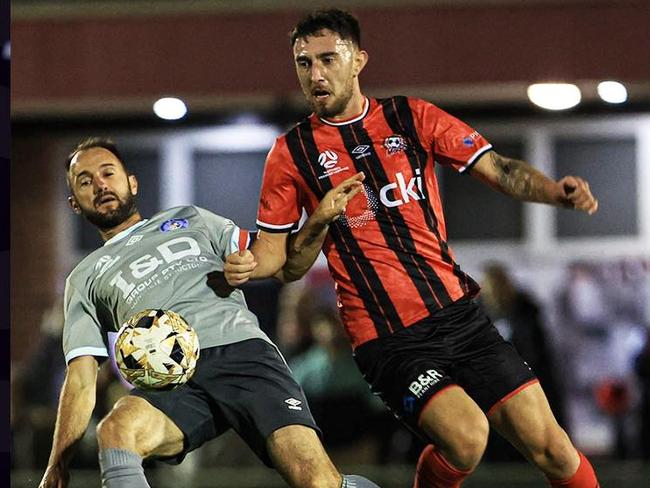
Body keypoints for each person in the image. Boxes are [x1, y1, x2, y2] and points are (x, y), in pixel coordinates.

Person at [224, 9, 600, 488]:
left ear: (358, 60)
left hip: (462, 317)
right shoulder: (291, 153)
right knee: (467, 437)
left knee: (555, 449)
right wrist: (292, 237)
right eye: (303, 63)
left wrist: (554, 192)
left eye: (327, 60)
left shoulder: (410, 116)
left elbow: (500, 169)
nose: (315, 75)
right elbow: (283, 263)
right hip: (389, 340)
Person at [39, 137, 380, 488]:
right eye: (85, 181)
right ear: (74, 204)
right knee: (115, 430)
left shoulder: (191, 218)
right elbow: (80, 380)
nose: (99, 185)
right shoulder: (83, 277)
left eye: (107, 173)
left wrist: (318, 222)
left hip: (243, 354)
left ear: (132, 182)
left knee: (316, 481)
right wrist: (57, 465)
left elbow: (284, 267)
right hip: (171, 378)